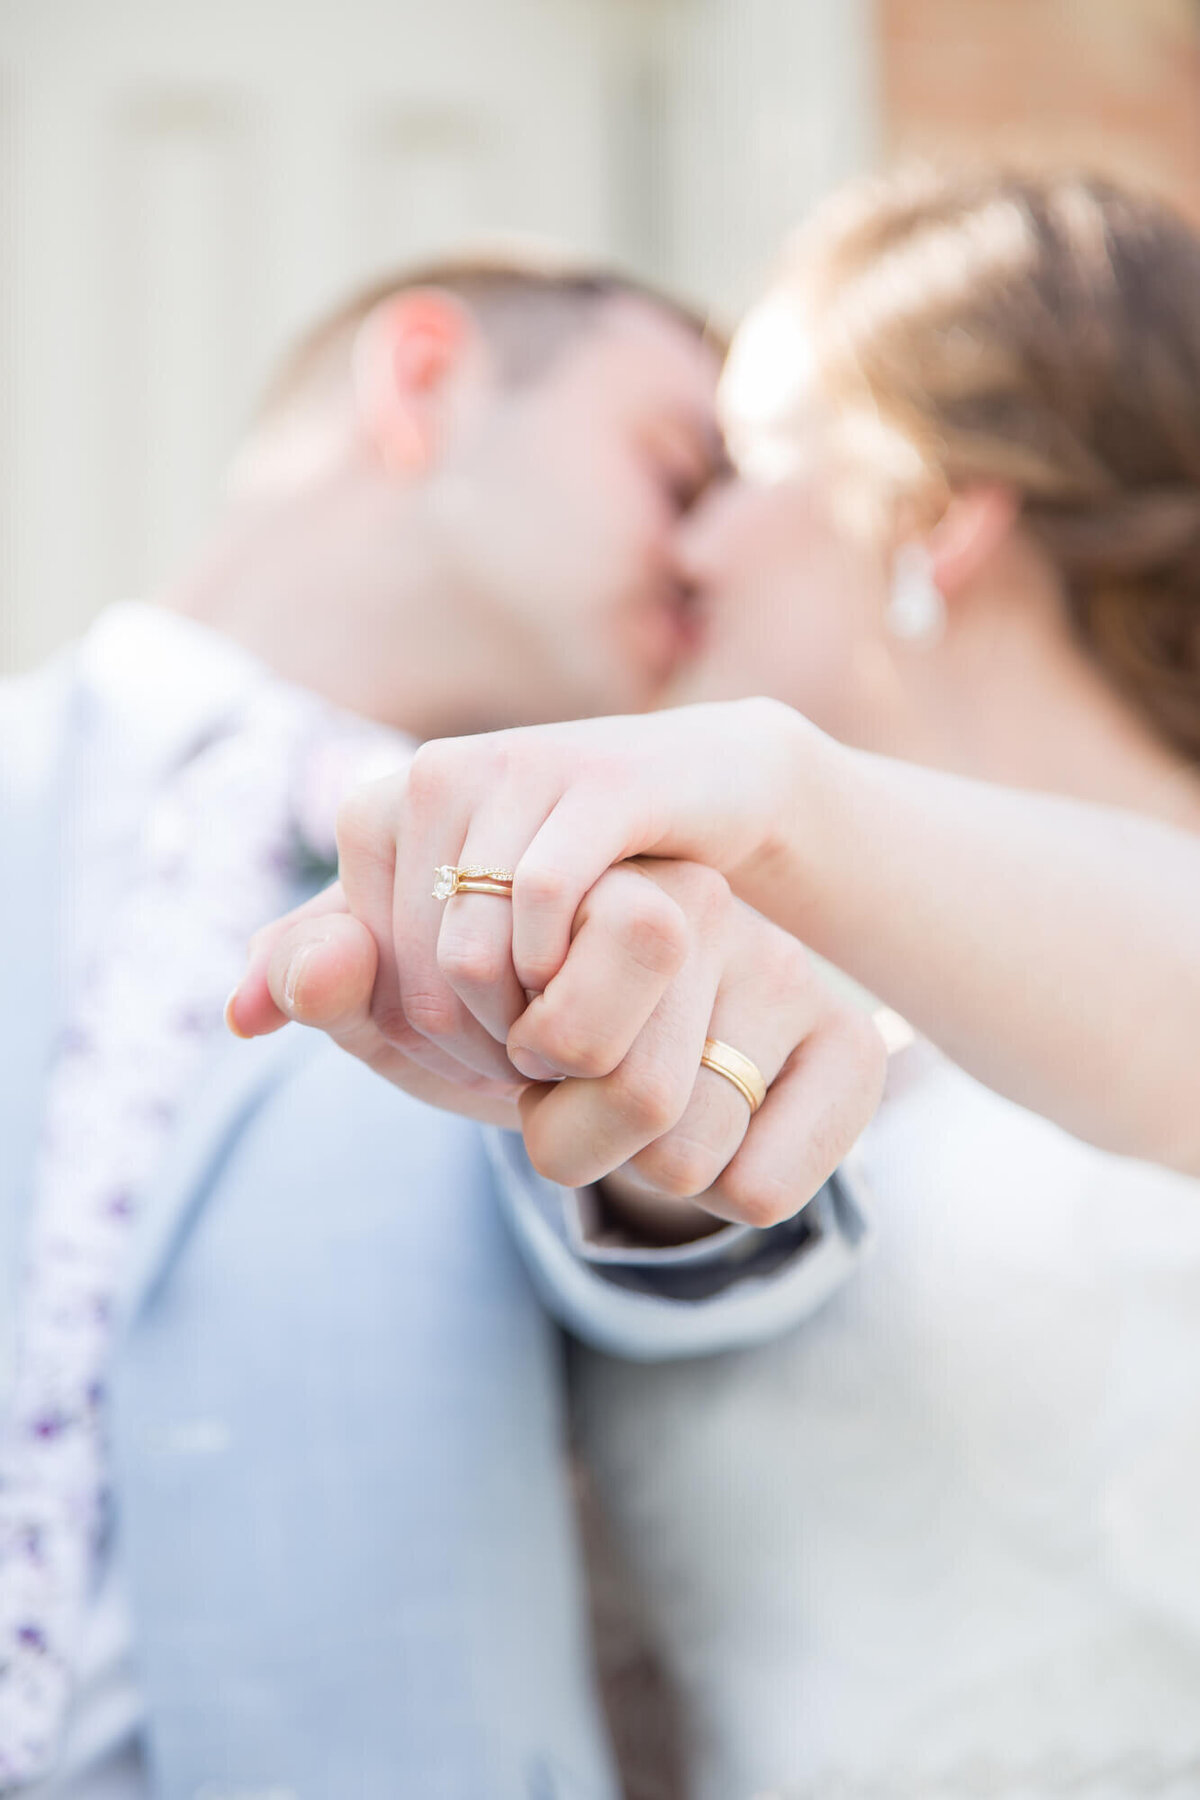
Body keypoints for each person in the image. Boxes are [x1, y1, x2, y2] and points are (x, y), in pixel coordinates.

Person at [239, 169, 1200, 1794]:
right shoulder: (694, 983)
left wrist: (790, 794)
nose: (680, 542)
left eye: (739, 466)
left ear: (935, 506)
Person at [0, 258, 888, 1799]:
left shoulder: (600, 902)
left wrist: (681, 1116)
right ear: (421, 383)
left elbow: (702, 1269)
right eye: (678, 469)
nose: (707, 552)